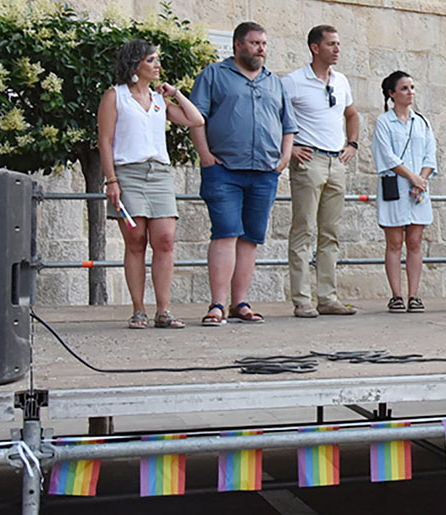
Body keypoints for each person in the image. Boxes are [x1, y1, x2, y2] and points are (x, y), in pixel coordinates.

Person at [189, 21, 296, 326]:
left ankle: (241, 303)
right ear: (238, 45)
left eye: (264, 44)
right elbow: (196, 118)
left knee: (250, 238)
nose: (261, 49)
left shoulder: (274, 82)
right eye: (254, 43)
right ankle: (217, 305)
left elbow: (288, 125)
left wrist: (284, 158)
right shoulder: (213, 75)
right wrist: (205, 157)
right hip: (223, 170)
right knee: (225, 233)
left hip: (264, 172)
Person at [96, 38, 204, 329]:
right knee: (136, 240)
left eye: (157, 59)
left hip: (159, 173)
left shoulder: (159, 100)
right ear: (135, 65)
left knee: (165, 239)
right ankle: (139, 310)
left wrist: (176, 93)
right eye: (151, 60)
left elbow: (196, 120)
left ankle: (164, 310)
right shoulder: (115, 96)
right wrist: (111, 179)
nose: (157, 65)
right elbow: (105, 141)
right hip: (127, 172)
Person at [283, 25, 361, 318]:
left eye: (338, 44)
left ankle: (327, 297)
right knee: (303, 229)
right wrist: (290, 148)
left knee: (331, 232)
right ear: (315, 48)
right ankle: (302, 299)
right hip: (309, 159)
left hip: (335, 160)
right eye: (331, 44)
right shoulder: (293, 81)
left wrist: (352, 143)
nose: (337, 49)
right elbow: (272, 115)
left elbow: (351, 114)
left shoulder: (341, 81)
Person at [373, 71, 436, 313]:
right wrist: (412, 177)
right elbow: (387, 156)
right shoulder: (383, 122)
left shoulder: (422, 122)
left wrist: (422, 179)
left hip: (418, 189)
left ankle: (414, 295)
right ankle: (396, 295)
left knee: (415, 241)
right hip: (396, 186)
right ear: (392, 94)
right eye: (404, 88)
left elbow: (430, 154)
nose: (410, 92)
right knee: (394, 242)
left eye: (412, 87)